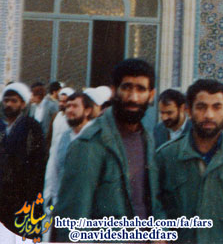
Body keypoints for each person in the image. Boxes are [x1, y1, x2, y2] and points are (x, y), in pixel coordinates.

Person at [54, 59, 159, 241]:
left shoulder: (147, 139)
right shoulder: (90, 144)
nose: (133, 97)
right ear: (113, 91)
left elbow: (150, 203)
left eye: (141, 89)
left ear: (151, 95)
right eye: (126, 88)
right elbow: (72, 222)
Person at [155, 79, 223, 243]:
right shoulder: (166, 156)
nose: (209, 115)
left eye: (217, 107)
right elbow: (155, 205)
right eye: (201, 107)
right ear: (189, 111)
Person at [0, 82, 47, 234]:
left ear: (23, 104)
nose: (9, 104)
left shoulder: (31, 126)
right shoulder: (2, 127)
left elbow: (38, 164)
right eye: (6, 100)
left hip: (23, 195)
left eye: (14, 101)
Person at [43, 90, 100, 211]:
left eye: (75, 106)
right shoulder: (64, 137)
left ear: (87, 110)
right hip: (63, 204)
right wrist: (52, 200)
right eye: (68, 106)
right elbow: (54, 171)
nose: (69, 110)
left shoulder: (97, 137)